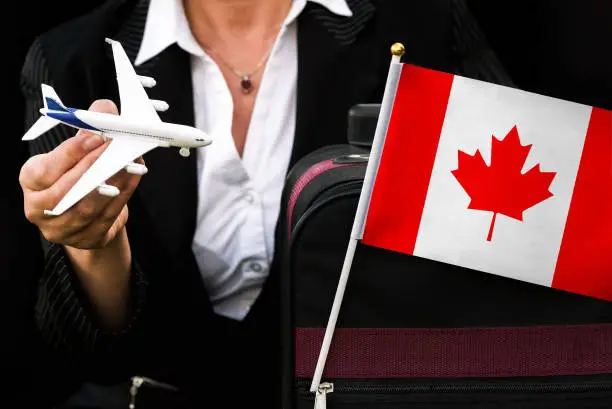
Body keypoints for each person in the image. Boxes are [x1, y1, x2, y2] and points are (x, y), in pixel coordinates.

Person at [19, 0, 512, 407]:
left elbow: (511, 242)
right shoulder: (72, 59)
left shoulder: (426, 24)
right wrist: (93, 243)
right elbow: (86, 352)